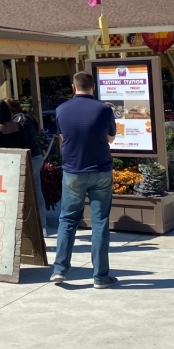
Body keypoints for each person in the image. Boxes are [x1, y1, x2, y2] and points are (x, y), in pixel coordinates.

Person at [51, 71, 117, 289]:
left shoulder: (61, 110)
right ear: (93, 87)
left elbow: (63, 137)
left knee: (67, 220)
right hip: (100, 170)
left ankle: (60, 270)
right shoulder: (104, 110)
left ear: (73, 87)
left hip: (73, 171)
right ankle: (100, 276)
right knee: (100, 223)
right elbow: (110, 138)